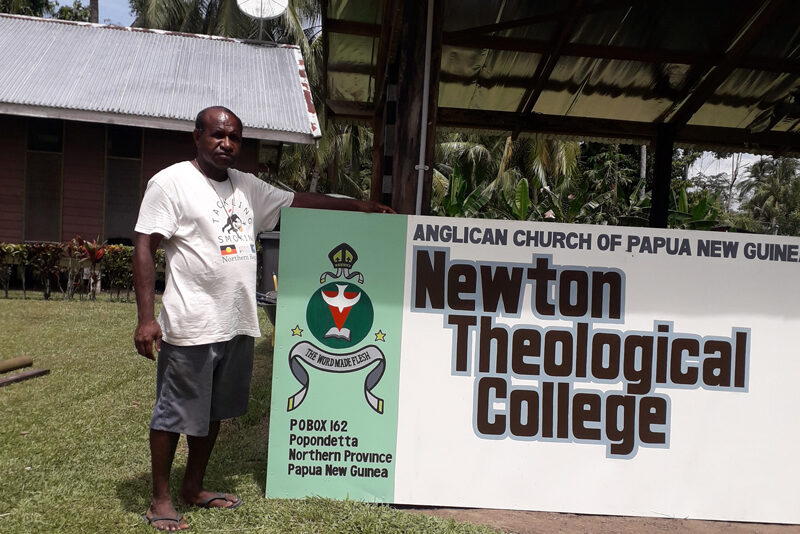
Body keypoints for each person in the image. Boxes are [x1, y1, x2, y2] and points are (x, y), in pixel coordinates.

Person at [133, 106, 392, 531]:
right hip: (191, 323)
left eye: (234, 137)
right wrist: (146, 318)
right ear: (196, 136)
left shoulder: (246, 187)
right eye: (218, 135)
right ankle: (161, 499)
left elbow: (300, 201)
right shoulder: (170, 183)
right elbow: (144, 246)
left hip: (237, 322)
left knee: (215, 412)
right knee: (174, 413)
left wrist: (358, 206)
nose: (227, 145)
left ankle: (193, 487)